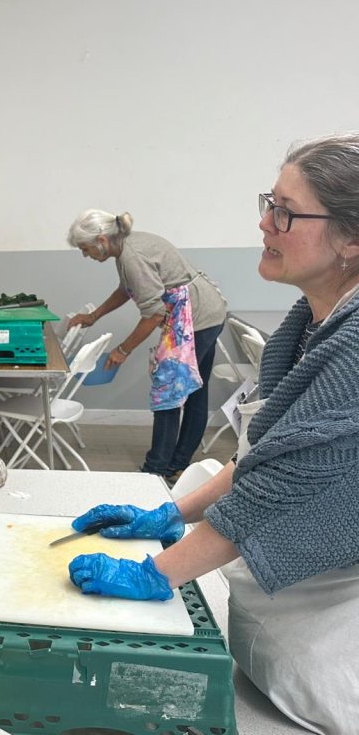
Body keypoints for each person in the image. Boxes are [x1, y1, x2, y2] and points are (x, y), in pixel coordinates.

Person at [67, 134, 359, 734]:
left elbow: (279, 482)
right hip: (273, 617)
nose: (263, 223)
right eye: (267, 202)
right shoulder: (309, 321)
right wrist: (173, 512)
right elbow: (264, 451)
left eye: (284, 211)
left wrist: (158, 572)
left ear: (351, 239)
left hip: (327, 629)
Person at [67, 212, 227, 481]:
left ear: (101, 240)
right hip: (208, 313)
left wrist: (123, 350)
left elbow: (153, 314)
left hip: (197, 320)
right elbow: (126, 290)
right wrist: (94, 317)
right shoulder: (126, 248)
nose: (85, 255)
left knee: (169, 391)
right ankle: (177, 464)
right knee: (194, 390)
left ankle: (157, 469)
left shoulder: (132, 256)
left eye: (85, 249)